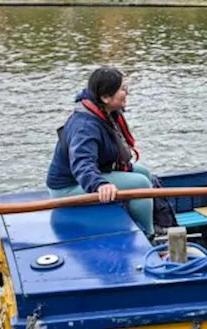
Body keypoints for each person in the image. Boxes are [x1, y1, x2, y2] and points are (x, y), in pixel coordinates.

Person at [46, 66, 156, 235]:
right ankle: (149, 236)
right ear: (105, 97)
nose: (126, 93)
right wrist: (99, 184)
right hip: (68, 188)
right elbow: (82, 163)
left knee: (144, 173)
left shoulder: (106, 111)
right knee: (141, 184)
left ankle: (138, 222)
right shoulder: (85, 126)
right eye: (122, 89)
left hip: (93, 172)